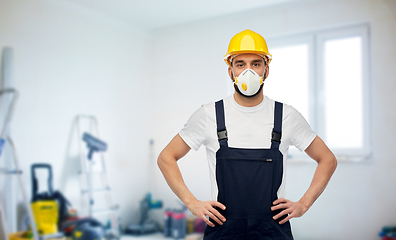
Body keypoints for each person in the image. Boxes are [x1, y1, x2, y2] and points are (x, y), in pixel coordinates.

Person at [157, 29, 337, 239]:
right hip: (223, 230)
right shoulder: (209, 114)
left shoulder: (286, 115)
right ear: (230, 71)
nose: (248, 71)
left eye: (256, 64)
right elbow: (166, 158)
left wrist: (304, 204)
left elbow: (327, 159)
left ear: (266, 70)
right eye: (240, 64)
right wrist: (192, 203)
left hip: (272, 231)